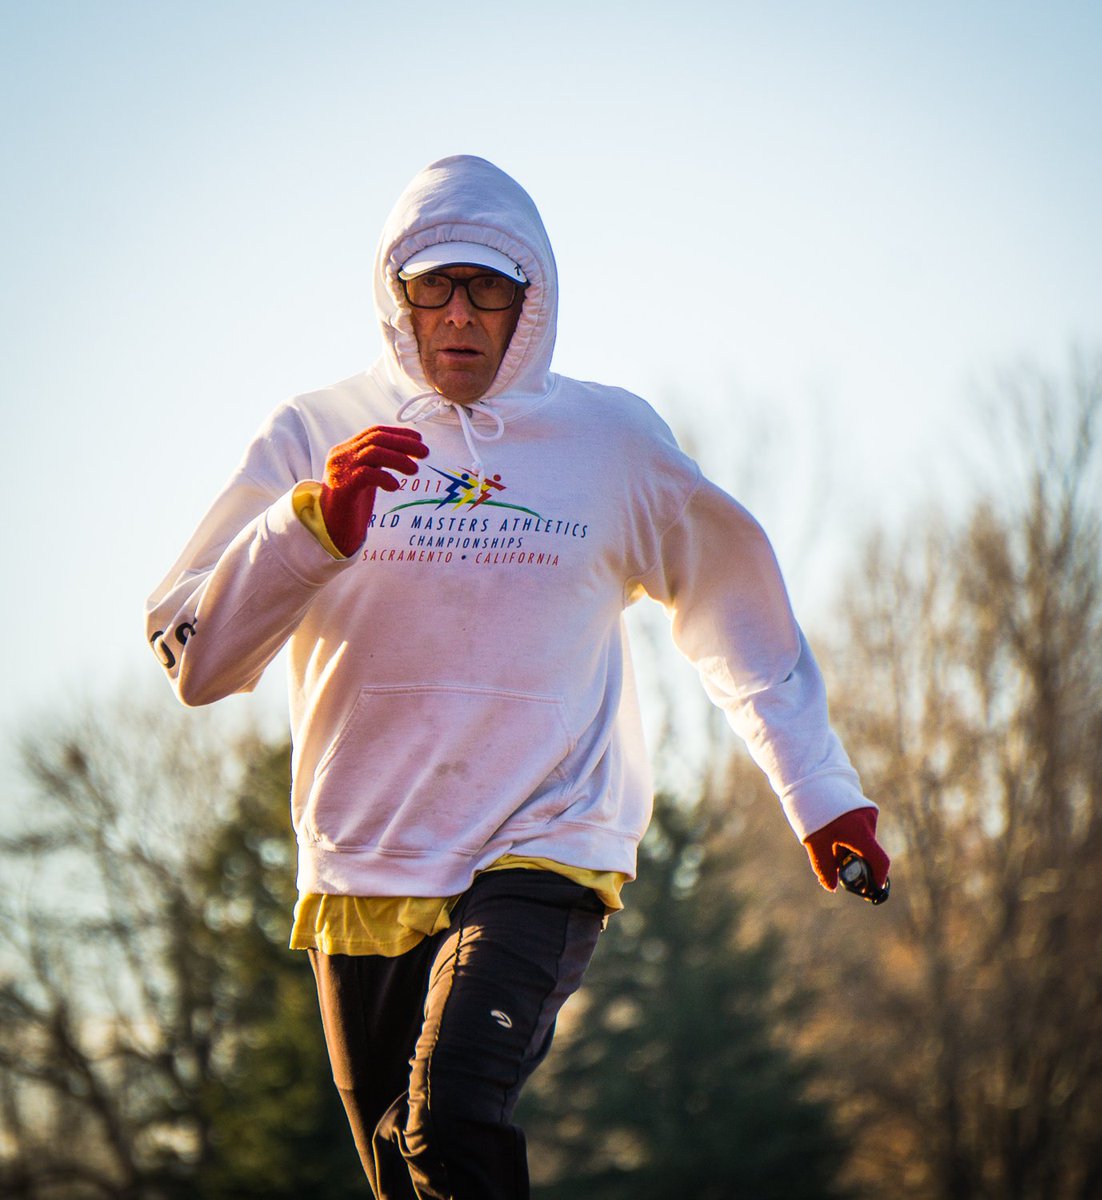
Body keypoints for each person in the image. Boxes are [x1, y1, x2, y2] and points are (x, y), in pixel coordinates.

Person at [146, 154, 890, 1200]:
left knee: (450, 1120)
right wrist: (306, 528)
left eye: (488, 288)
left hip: (544, 843)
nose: (459, 314)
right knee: (407, 1172)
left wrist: (820, 791)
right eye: (434, 286)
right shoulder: (313, 432)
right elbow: (195, 658)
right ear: (396, 297)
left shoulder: (611, 442)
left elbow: (737, 606)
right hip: (367, 854)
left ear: (528, 302)